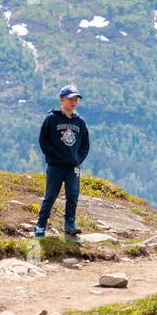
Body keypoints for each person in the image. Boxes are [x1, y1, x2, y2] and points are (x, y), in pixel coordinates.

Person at [34, 84, 90, 238]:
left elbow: (85, 145)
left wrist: (78, 159)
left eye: (76, 99)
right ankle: (40, 225)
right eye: (70, 99)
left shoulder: (80, 122)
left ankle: (70, 225)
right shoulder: (52, 119)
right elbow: (43, 141)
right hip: (55, 166)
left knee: (73, 194)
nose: (74, 102)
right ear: (61, 100)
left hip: (73, 167)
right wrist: (54, 156)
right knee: (51, 195)